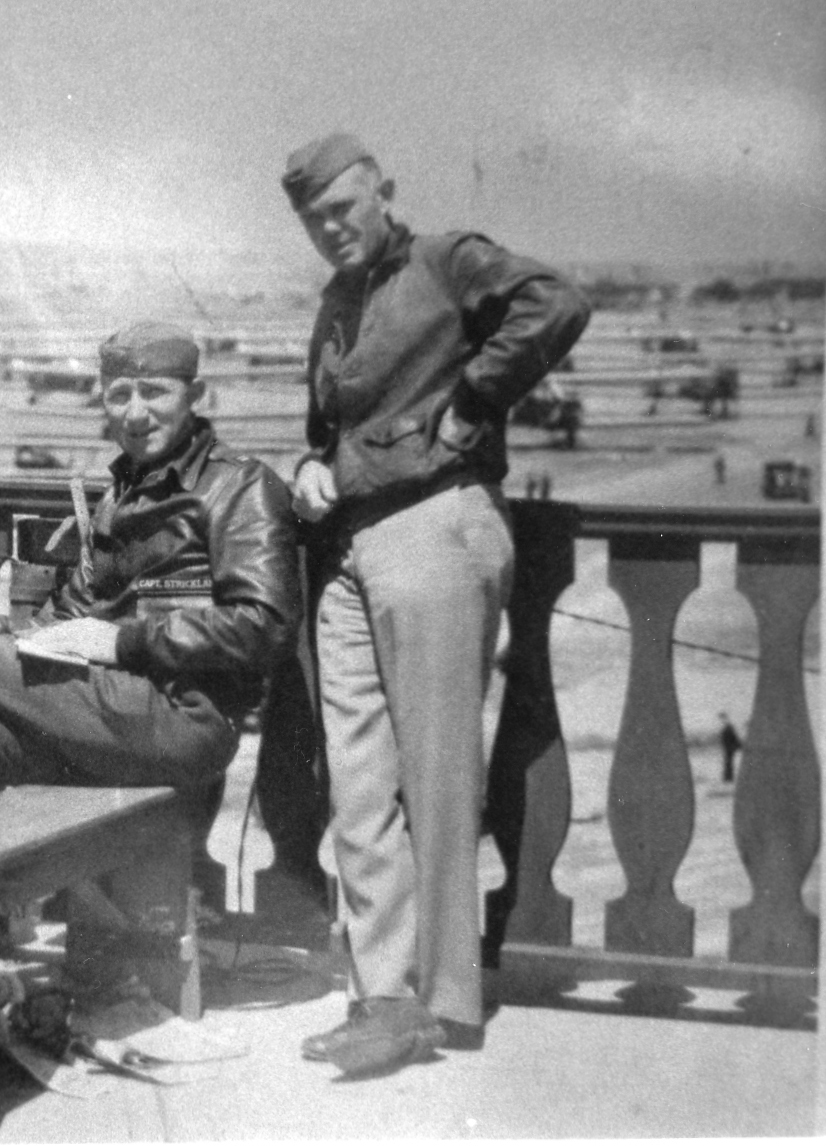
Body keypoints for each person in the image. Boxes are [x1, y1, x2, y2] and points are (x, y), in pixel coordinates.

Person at [281, 133, 590, 1074]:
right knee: (361, 780)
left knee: (438, 773)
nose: (331, 227)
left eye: (343, 207)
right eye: (313, 217)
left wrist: (479, 399)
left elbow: (557, 302)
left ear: (383, 190)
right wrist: (306, 464)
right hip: (349, 549)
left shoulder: (443, 258)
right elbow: (331, 420)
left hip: (434, 529)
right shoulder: (338, 304)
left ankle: (445, 998)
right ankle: (385, 997)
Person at [0, 320, 300, 887]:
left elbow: (266, 626)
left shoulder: (240, 487)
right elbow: (67, 619)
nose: (136, 412)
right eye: (120, 395)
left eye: (155, 391)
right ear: (104, 405)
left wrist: (121, 641)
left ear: (196, 397)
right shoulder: (120, 495)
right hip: (113, 712)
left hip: (183, 716)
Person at [719, 713, 742, 784]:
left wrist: (738, 746)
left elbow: (734, 738)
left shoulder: (728, 728)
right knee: (728, 763)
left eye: (723, 718)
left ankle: (728, 778)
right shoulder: (728, 727)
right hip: (728, 748)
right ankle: (728, 778)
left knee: (728, 763)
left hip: (729, 748)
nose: (722, 720)